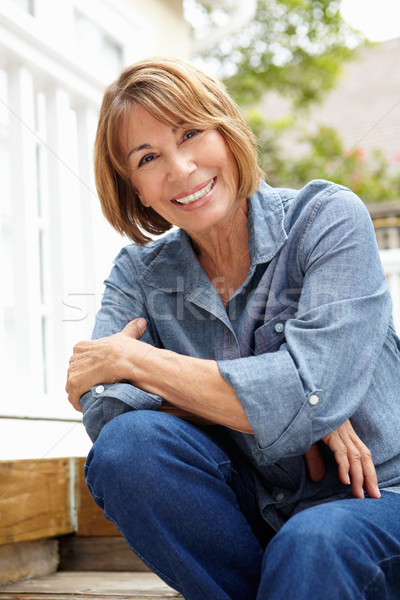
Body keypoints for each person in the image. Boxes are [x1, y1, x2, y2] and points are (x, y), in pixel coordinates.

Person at [66, 57, 400, 600]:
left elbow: (312, 392)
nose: (180, 169)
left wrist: (140, 363)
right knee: (129, 447)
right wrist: (288, 406)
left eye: (191, 133)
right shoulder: (139, 273)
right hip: (256, 519)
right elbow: (104, 406)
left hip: (381, 498)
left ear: (227, 130)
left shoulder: (326, 219)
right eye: (148, 157)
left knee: (310, 544)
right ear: (136, 189)